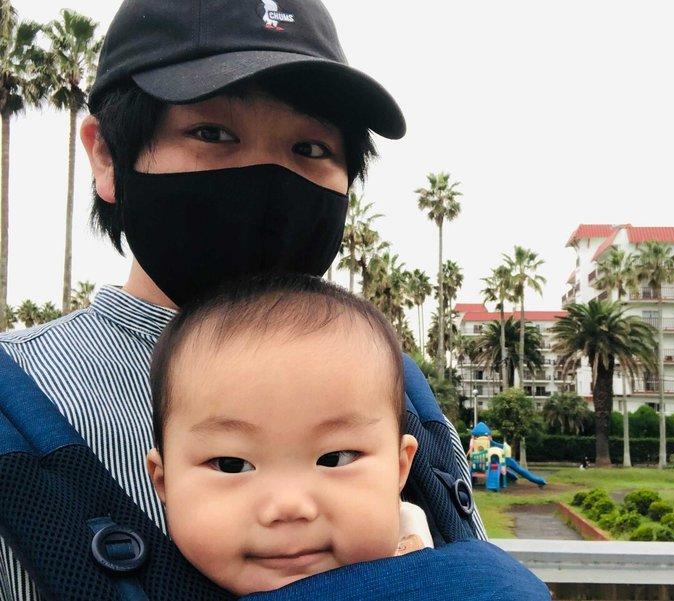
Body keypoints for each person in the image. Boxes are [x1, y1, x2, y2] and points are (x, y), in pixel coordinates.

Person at [0, 1, 484, 598]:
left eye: (311, 148)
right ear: (106, 155)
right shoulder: (13, 407)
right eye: (212, 133)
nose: (267, 180)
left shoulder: (400, 393)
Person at [145, 273, 434, 594]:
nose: (289, 507)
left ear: (400, 468)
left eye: (334, 458)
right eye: (231, 464)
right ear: (164, 481)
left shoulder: (437, 575)